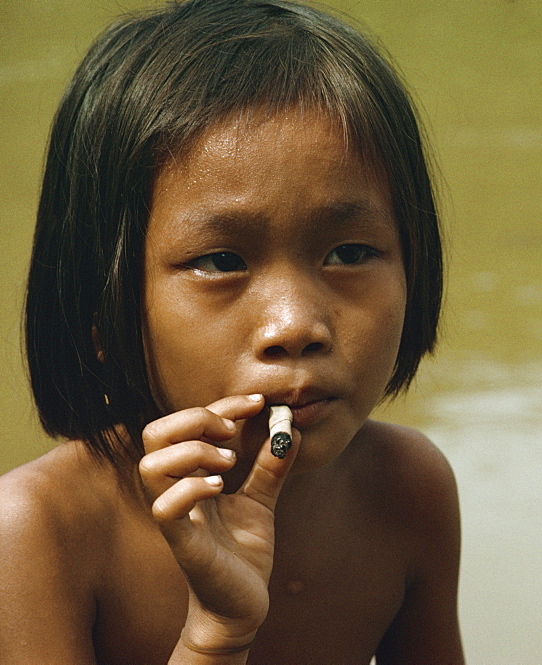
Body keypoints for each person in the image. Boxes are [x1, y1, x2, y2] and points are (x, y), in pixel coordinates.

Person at [0, 0, 463, 662]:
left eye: (349, 253)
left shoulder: (409, 490)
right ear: (99, 306)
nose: (295, 325)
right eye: (221, 262)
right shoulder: (38, 533)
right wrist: (215, 635)